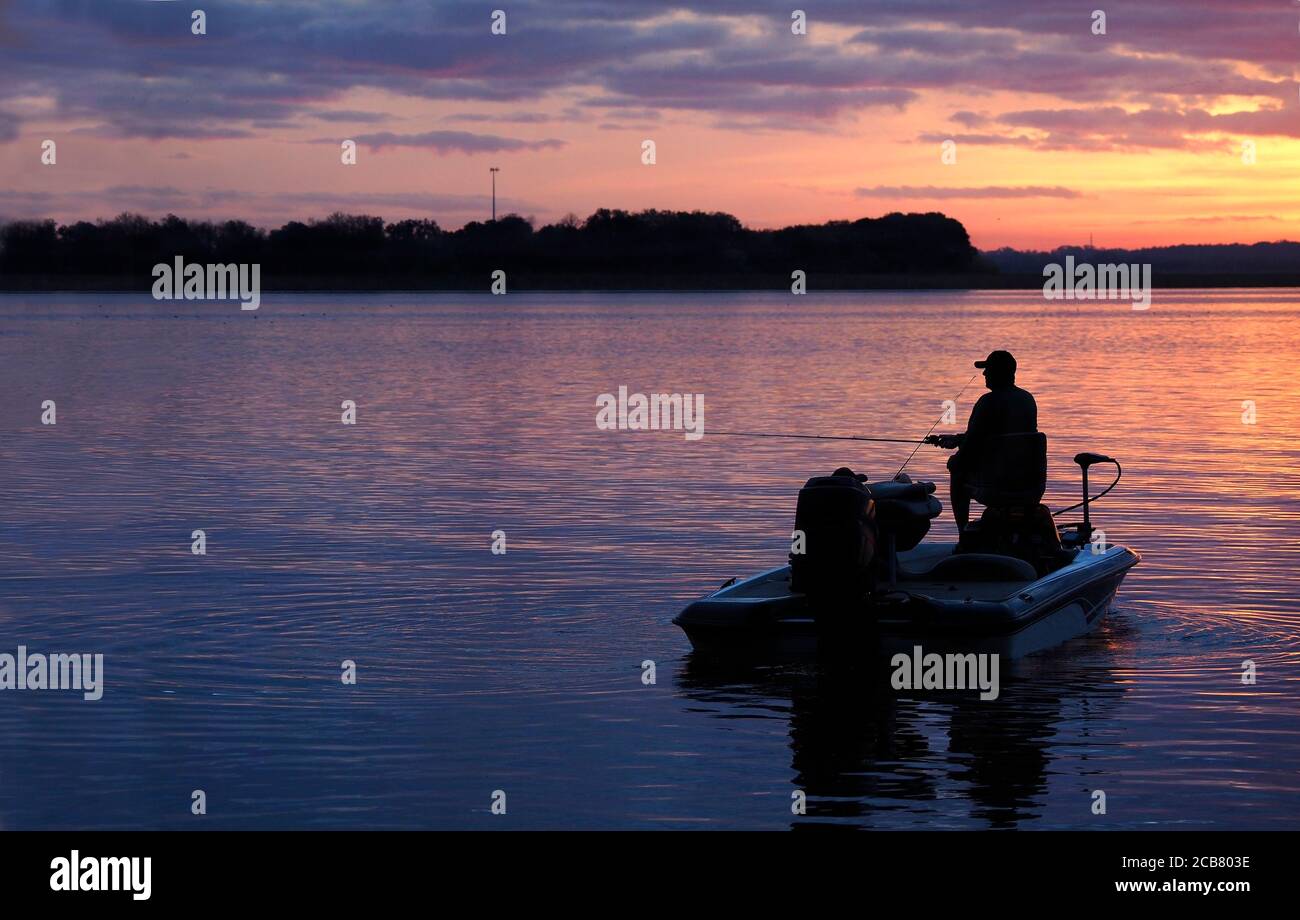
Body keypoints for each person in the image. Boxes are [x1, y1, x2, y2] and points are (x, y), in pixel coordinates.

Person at [925, 350, 1037, 531]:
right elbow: (998, 437)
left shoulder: (988, 402)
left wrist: (955, 459)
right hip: (1029, 484)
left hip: (998, 484)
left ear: (1000, 373)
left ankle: (963, 533)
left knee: (957, 468)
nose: (984, 374)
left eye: (988, 369)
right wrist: (959, 439)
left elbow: (971, 448)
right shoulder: (1026, 399)